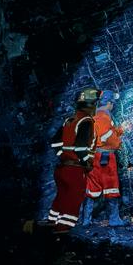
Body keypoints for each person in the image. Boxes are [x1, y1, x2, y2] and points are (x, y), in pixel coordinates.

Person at [48, 87, 100, 236]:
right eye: (95, 104)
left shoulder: (69, 120)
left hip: (62, 168)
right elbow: (81, 147)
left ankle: (53, 223)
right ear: (91, 105)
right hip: (75, 170)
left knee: (62, 196)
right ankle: (63, 229)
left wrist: (62, 155)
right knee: (74, 198)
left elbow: (55, 142)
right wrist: (86, 163)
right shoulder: (86, 122)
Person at [82, 89, 127, 226]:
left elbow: (104, 134)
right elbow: (107, 137)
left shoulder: (95, 115)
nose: (113, 106)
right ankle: (114, 219)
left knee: (92, 185)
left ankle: (86, 220)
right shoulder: (103, 116)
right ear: (108, 103)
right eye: (112, 103)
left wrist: (120, 130)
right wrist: (118, 142)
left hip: (94, 155)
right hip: (105, 157)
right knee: (111, 185)